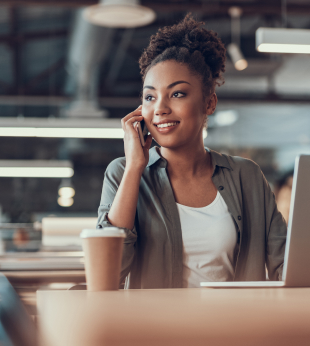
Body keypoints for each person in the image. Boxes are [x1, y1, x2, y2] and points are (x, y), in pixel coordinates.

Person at [97, 15, 287, 289]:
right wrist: (134, 168)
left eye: (177, 94)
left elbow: (286, 265)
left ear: (209, 103)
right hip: (157, 329)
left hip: (237, 327)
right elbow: (107, 276)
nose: (160, 108)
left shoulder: (247, 176)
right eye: (150, 97)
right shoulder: (122, 173)